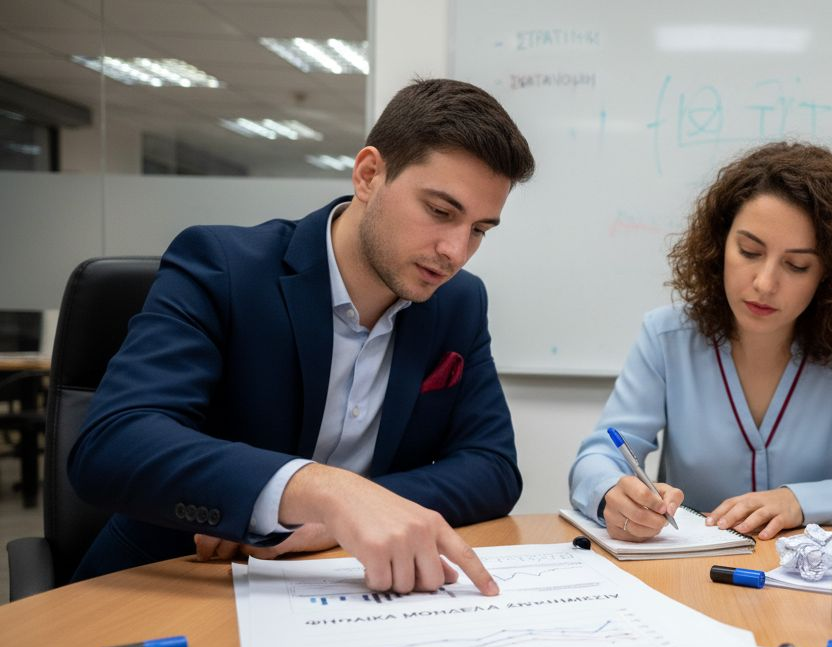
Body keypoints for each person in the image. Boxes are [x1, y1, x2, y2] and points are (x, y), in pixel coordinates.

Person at [68, 78, 536, 596]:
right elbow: (113, 443)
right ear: (369, 175)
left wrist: (342, 513)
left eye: (479, 230)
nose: (455, 251)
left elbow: (492, 468)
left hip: (341, 590)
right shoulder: (221, 267)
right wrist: (316, 491)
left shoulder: (459, 303)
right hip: (177, 584)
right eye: (440, 212)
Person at [569, 142, 832, 542]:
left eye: (797, 265)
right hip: (694, 575)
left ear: (829, 275)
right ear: (718, 245)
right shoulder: (667, 338)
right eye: (749, 251)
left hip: (816, 580)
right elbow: (597, 458)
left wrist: (801, 500)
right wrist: (610, 492)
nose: (764, 283)